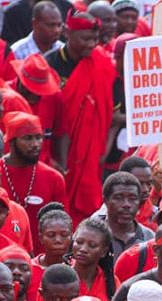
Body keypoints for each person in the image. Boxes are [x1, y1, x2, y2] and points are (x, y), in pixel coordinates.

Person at [49, 10, 115, 222]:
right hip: (57, 149)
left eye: (95, 39)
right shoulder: (50, 64)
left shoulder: (102, 63)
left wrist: (102, 150)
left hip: (92, 150)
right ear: (68, 33)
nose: (91, 44)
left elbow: (109, 109)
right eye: (85, 38)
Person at [0, 112, 66, 251]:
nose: (35, 144)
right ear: (11, 141)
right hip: (0, 257)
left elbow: (63, 223)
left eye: (39, 138)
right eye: (28, 138)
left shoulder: (54, 178)